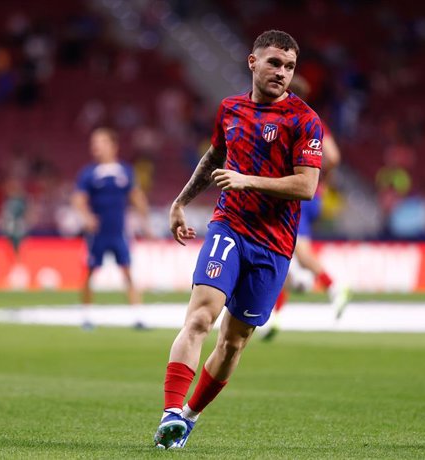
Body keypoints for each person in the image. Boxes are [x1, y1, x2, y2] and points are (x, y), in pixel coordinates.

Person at [153, 30, 323, 449]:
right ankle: (170, 413)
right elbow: (214, 155)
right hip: (229, 228)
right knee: (199, 318)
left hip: (274, 246)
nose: (281, 73)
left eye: (288, 67)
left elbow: (306, 187)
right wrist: (180, 202)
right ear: (253, 62)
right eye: (274, 63)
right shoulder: (229, 109)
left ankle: (188, 418)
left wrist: (248, 180)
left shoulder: (305, 120)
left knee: (232, 344)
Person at [262, 75, 350, 341]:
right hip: (309, 193)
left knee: (291, 252)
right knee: (282, 254)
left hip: (294, 194)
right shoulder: (315, 120)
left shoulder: (287, 120)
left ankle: (334, 287)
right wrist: (321, 178)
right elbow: (333, 156)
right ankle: (275, 314)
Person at [72, 126, 150, 309]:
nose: (96, 147)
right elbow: (78, 199)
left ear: (114, 145)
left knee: (128, 271)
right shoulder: (89, 173)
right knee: (90, 272)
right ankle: (87, 313)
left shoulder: (125, 171)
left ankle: (137, 313)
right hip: (97, 232)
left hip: (119, 231)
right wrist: (86, 217)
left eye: (101, 142)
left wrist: (145, 223)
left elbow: (137, 197)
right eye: (94, 143)